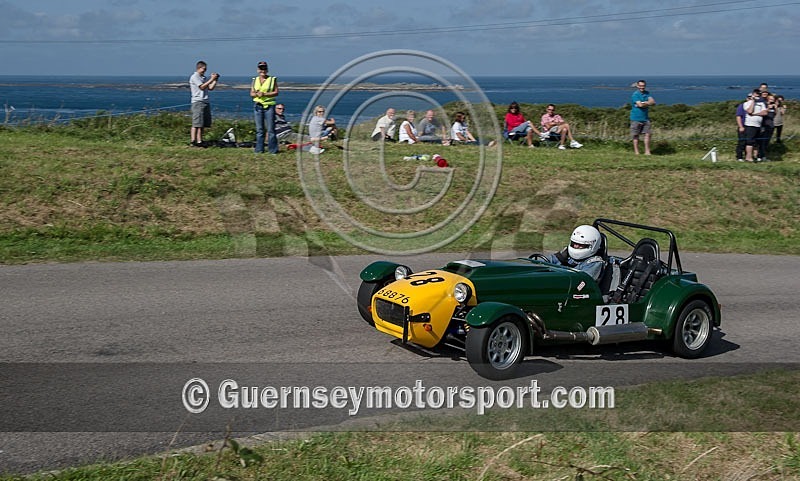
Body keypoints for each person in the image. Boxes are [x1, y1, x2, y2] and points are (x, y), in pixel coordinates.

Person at [251, 61, 279, 154]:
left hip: (269, 106)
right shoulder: (254, 80)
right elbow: (251, 93)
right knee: (259, 129)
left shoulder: (272, 79)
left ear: (267, 70)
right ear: (258, 70)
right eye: (261, 68)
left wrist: (264, 94)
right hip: (258, 105)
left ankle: (273, 150)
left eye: (264, 68)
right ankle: (259, 150)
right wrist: (257, 94)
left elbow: (276, 92)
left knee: (271, 129)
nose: (263, 70)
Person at [189, 60, 219, 147]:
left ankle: (200, 141)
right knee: (196, 123)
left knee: (202, 124)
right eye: (204, 69)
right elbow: (202, 87)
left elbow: (210, 88)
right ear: (199, 68)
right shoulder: (195, 77)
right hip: (198, 101)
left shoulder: (203, 78)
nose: (205, 71)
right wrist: (211, 79)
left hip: (205, 101)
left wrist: (215, 80)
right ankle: (193, 141)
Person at [630, 80, 655, 155]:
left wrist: (644, 103)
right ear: (637, 86)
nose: (642, 87)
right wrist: (647, 103)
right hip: (636, 118)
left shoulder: (647, 93)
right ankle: (636, 152)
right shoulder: (635, 95)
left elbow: (653, 102)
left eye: (643, 86)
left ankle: (647, 151)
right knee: (636, 135)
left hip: (645, 118)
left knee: (648, 134)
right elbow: (640, 105)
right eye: (640, 86)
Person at [743, 89, 767, 162]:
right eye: (756, 94)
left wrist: (755, 114)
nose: (757, 95)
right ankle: (748, 157)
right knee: (750, 142)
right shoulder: (746, 103)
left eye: (759, 94)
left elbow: (765, 113)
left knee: (756, 142)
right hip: (750, 125)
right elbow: (750, 111)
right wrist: (753, 101)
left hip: (758, 125)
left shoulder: (761, 104)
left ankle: (755, 157)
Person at [735, 95, 748, 162]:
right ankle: (739, 157)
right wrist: (741, 126)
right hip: (743, 126)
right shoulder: (742, 106)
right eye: (749, 97)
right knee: (742, 142)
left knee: (749, 142)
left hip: (751, 126)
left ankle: (747, 156)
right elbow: (738, 116)